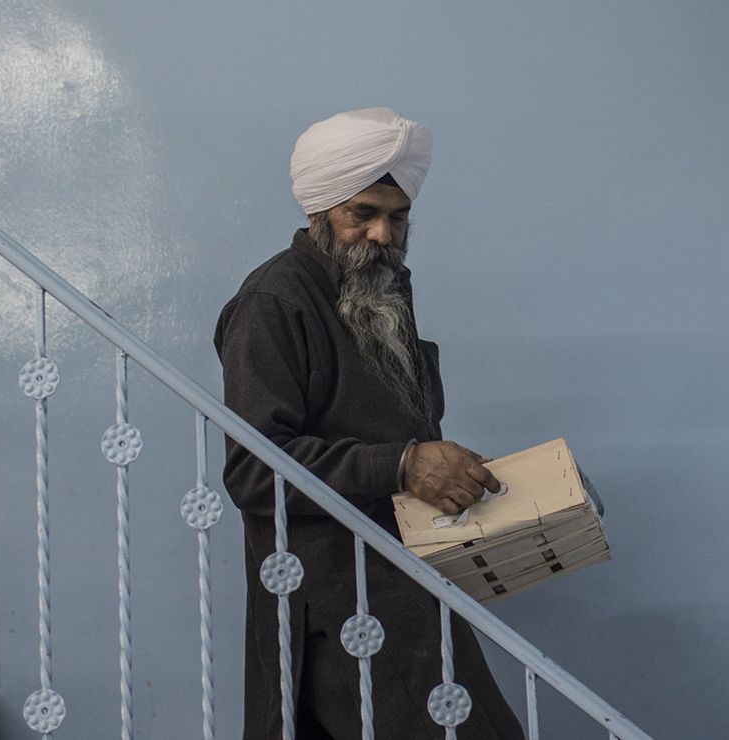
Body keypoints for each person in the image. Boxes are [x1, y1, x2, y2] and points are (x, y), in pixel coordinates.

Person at [214, 107, 524, 739]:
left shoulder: (379, 289)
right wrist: (405, 464)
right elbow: (252, 470)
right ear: (320, 210)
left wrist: (448, 469)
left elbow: (400, 432)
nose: (383, 234)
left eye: (398, 216)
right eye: (363, 214)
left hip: (406, 582)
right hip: (335, 601)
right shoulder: (273, 301)